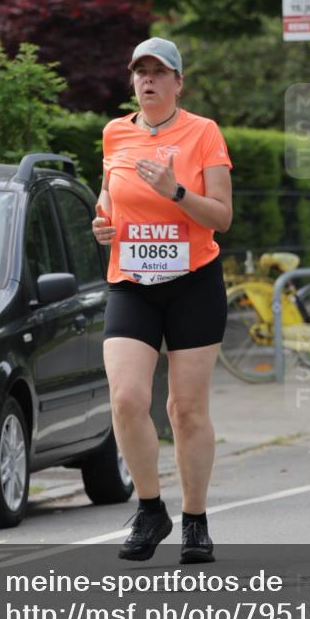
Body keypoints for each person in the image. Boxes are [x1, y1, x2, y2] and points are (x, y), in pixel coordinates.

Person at [92, 37, 232, 564]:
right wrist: (102, 222)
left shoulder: (203, 133)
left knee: (185, 410)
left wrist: (176, 191)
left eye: (159, 72)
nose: (148, 80)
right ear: (132, 80)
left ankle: (195, 520)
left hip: (193, 281)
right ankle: (150, 509)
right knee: (127, 398)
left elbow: (221, 217)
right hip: (131, 281)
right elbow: (110, 194)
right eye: (140, 71)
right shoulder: (114, 134)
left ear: (178, 82)